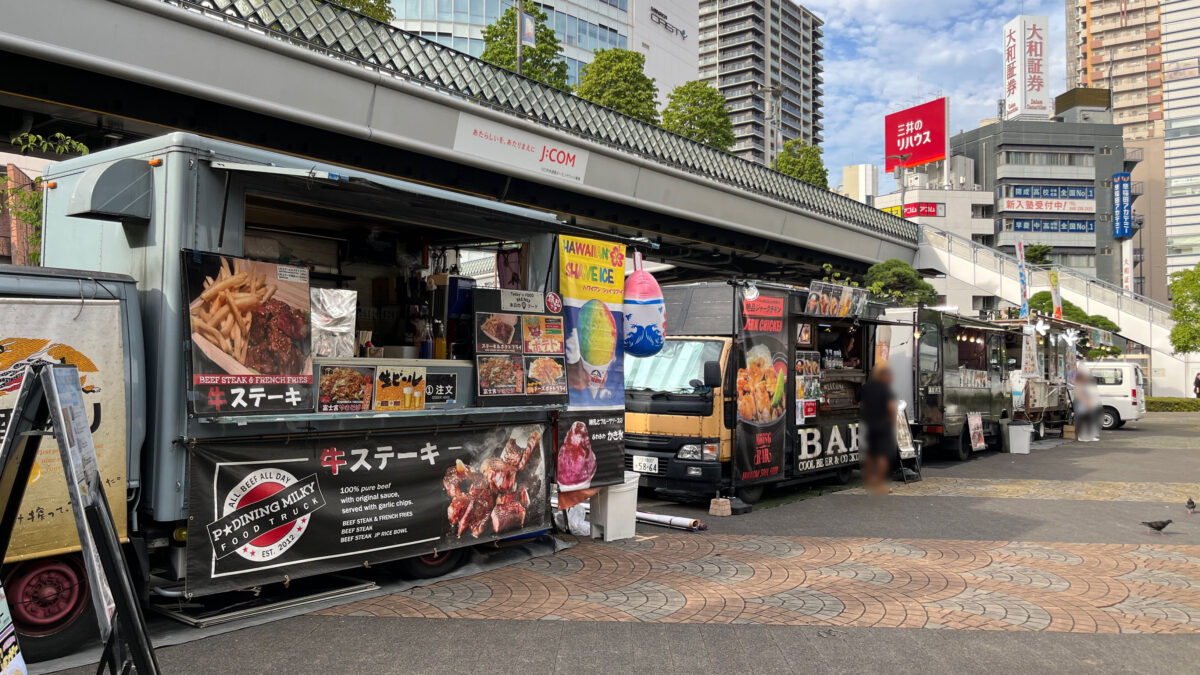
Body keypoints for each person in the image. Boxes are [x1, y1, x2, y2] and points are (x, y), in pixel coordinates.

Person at [859, 364, 898, 494]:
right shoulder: (885, 389)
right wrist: (891, 423)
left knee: (870, 454)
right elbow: (891, 408)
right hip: (882, 425)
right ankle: (880, 484)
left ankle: (868, 482)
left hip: (869, 424)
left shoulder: (866, 388)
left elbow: (859, 402)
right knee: (883, 455)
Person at [1073, 367, 1100, 442]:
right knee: (1082, 421)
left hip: (1084, 406)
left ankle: (1089, 436)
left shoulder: (1082, 385)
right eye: (1084, 378)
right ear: (1080, 378)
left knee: (1088, 420)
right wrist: (1087, 403)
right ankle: (1080, 436)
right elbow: (1079, 395)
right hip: (1081, 406)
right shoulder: (1078, 386)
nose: (1085, 379)